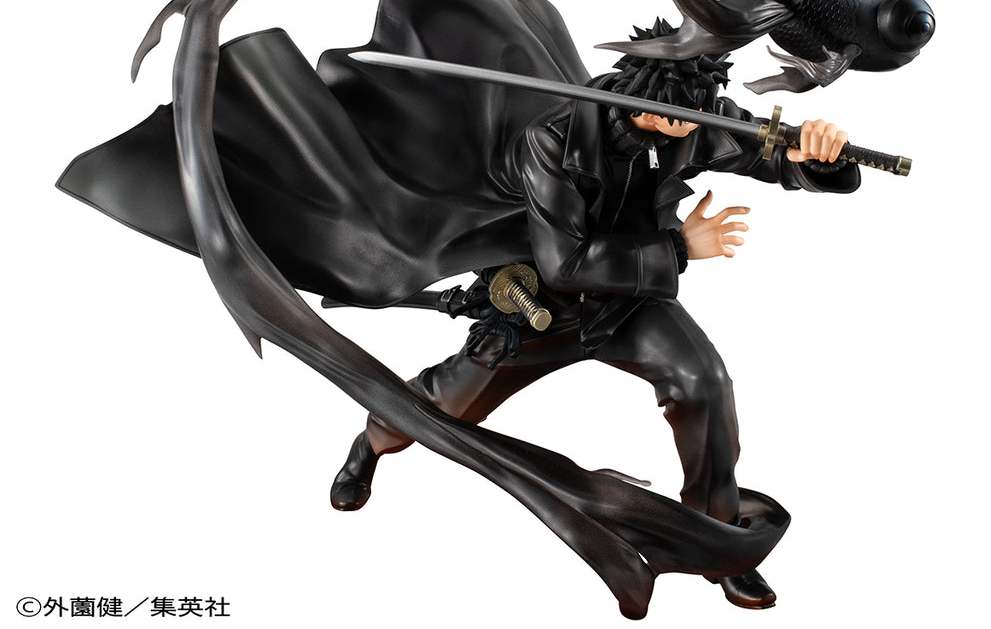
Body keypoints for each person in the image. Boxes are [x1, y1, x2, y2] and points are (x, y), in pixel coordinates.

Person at [329, 32, 859, 611]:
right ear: (642, 102)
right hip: (539, 309)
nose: (694, 127)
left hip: (629, 301)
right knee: (443, 406)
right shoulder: (551, 140)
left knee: (704, 382)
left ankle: (719, 546)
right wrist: (679, 248)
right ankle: (370, 445)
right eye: (682, 119)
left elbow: (763, 149)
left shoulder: (693, 110)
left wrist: (815, 156)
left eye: (701, 114)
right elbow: (565, 263)